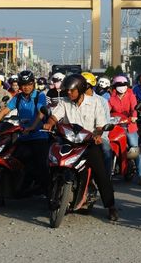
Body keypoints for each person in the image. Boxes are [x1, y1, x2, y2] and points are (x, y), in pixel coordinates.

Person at [43, 74, 119, 221]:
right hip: (67, 141)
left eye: (72, 91)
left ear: (80, 89)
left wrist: (97, 135)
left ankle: (111, 206)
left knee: (101, 173)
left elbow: (100, 126)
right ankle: (51, 195)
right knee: (49, 162)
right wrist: (50, 123)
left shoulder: (96, 102)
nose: (69, 93)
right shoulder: (64, 102)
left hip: (88, 144)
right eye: (67, 91)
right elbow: (54, 116)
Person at [0, 70, 50, 196]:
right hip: (23, 137)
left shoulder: (40, 96)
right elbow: (4, 111)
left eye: (29, 84)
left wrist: (33, 127)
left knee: (42, 165)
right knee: (11, 160)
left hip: (39, 136)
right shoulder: (17, 98)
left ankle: (49, 195)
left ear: (33, 84)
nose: (26, 87)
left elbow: (41, 112)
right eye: (23, 84)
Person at [109, 75, 141, 185]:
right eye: (119, 85)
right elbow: (107, 110)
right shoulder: (112, 98)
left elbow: (134, 109)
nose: (121, 87)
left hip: (129, 126)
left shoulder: (131, 96)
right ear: (115, 86)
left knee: (134, 148)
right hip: (116, 127)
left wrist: (133, 117)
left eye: (124, 84)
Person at [82, 72, 113, 175]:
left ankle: (106, 179)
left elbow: (106, 122)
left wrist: (99, 136)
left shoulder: (102, 101)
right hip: (78, 136)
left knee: (107, 151)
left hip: (97, 135)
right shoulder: (74, 100)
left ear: (89, 86)